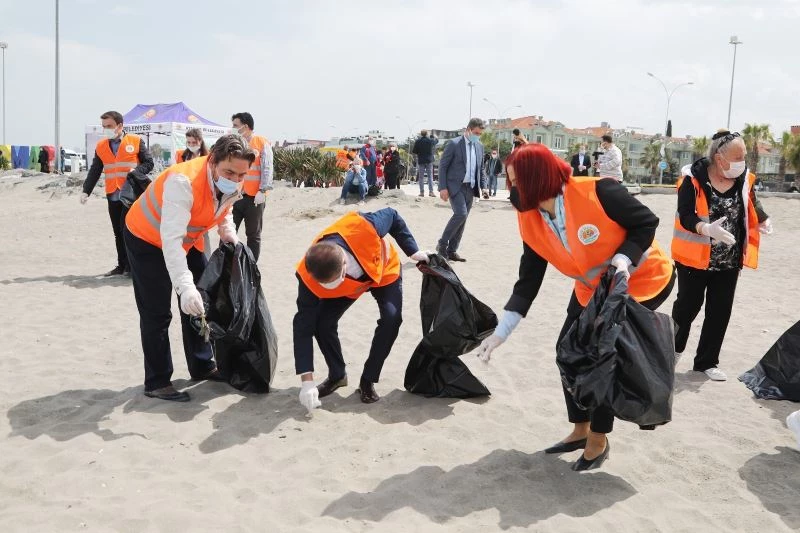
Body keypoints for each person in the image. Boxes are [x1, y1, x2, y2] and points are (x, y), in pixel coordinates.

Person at [475, 143, 675, 471]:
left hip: (641, 279)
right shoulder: (529, 218)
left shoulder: (600, 192)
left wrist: (624, 258)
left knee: (599, 357)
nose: (511, 190)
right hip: (591, 288)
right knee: (565, 351)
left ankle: (599, 438)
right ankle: (580, 430)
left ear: (537, 178)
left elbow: (646, 222)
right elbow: (528, 280)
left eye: (516, 182)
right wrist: (501, 333)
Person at [123, 134, 253, 402]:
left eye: (241, 175)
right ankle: (157, 381)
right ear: (213, 161)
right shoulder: (183, 182)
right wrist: (184, 287)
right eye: (230, 172)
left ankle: (202, 364)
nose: (236, 179)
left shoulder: (232, 178)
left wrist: (227, 232)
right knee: (157, 311)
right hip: (147, 238)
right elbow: (170, 241)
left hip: (188, 239)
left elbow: (224, 207)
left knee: (202, 301)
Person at [294, 208, 429, 412]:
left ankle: (368, 380)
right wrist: (306, 380)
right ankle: (337, 375)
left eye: (332, 282)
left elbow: (392, 215)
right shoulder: (308, 275)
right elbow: (302, 326)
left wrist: (412, 250)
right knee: (322, 323)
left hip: (383, 270)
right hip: (351, 286)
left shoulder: (364, 226)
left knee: (392, 319)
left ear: (344, 264)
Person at [671, 130, 772, 381]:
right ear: (719, 157)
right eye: (738, 156)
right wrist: (705, 229)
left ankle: (707, 362)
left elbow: (750, 201)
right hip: (694, 259)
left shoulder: (743, 178)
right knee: (686, 309)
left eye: (744, 155)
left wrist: (763, 218)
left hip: (729, 260)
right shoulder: (691, 179)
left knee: (720, 311)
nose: (743, 161)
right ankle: (670, 353)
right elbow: (685, 214)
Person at [81, 110, 154, 276]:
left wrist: (136, 170)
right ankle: (122, 266)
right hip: (112, 194)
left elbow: (149, 163)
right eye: (104, 126)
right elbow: (95, 170)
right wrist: (86, 191)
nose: (106, 129)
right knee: (117, 232)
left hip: (131, 195)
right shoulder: (101, 146)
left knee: (127, 230)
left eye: (109, 126)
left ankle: (131, 266)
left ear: (120, 126)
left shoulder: (135, 141)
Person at [436, 118, 486, 262]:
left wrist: (483, 186)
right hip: (455, 187)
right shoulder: (454, 144)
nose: (478, 136)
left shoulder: (479, 146)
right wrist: (443, 187)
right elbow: (443, 166)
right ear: (468, 130)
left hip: (470, 188)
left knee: (463, 220)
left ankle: (452, 250)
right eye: (476, 133)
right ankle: (442, 244)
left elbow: (481, 168)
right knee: (460, 214)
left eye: (480, 134)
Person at [231, 112, 274, 262]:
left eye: (235, 125)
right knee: (229, 230)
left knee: (253, 235)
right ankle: (227, 262)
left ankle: (251, 264)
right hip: (236, 195)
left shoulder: (261, 142)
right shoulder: (236, 143)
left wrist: (263, 190)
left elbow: (267, 167)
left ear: (246, 126)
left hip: (255, 198)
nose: (233, 128)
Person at [412, 130, 439, 197]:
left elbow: (414, 151)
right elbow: (436, 141)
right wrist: (435, 136)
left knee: (421, 177)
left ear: (421, 134)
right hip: (429, 160)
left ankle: (422, 192)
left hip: (421, 160)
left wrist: (420, 152)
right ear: (427, 134)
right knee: (430, 177)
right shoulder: (430, 140)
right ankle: (431, 192)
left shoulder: (418, 141)